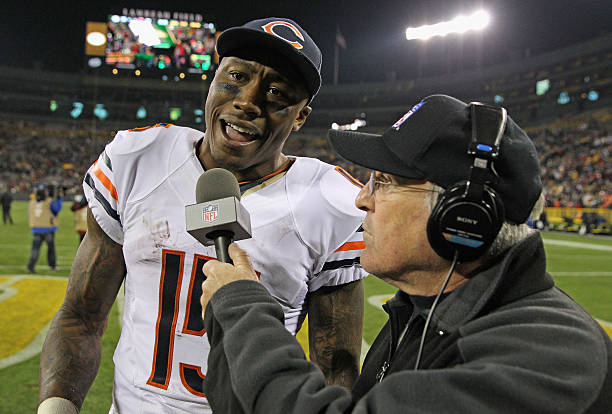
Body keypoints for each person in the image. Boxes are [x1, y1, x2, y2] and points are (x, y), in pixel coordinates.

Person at [199, 94, 612, 413]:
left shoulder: (550, 356)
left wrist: (242, 307)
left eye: (384, 182)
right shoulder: (422, 311)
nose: (362, 199)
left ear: (462, 216)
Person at [38, 17, 367, 414]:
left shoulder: (328, 199)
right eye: (235, 77)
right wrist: (57, 405)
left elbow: (336, 369)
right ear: (212, 81)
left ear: (300, 117)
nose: (248, 101)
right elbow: (82, 316)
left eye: (277, 93)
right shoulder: (136, 159)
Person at [27, 184, 62, 273]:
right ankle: (52, 265)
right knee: (51, 249)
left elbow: (29, 215)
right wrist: (59, 198)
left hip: (36, 229)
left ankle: (30, 266)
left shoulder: (32, 202)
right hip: (48, 229)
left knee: (35, 249)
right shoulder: (49, 201)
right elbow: (57, 209)